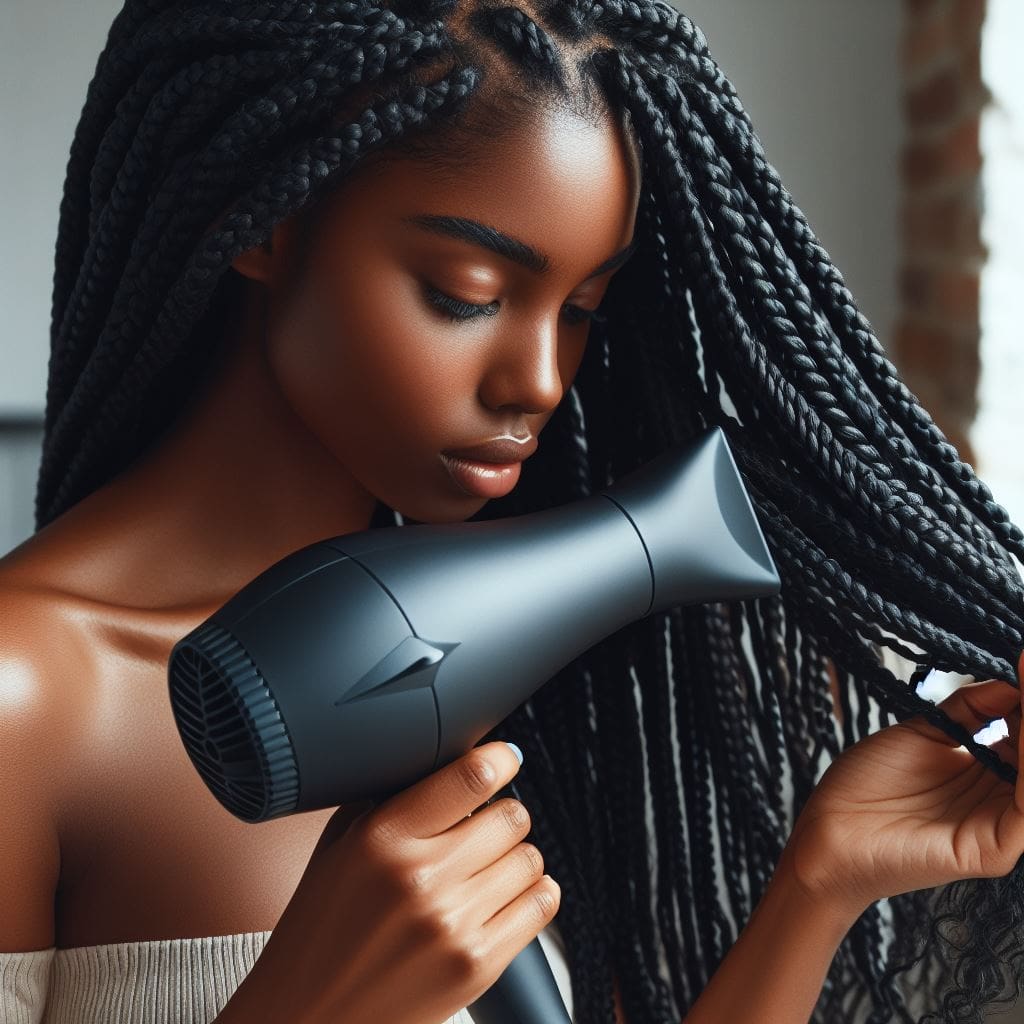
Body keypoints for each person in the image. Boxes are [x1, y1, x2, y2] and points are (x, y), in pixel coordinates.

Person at [2, 2, 1024, 1022]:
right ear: (267, 218)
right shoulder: (28, 697)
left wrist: (821, 879)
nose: (537, 382)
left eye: (580, 310)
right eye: (467, 292)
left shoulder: (517, 684)